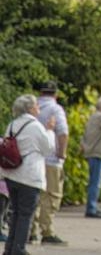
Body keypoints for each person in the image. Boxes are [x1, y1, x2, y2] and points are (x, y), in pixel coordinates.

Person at [1, 95, 54, 255]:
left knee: (16, 212)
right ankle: (19, 249)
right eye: (37, 105)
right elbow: (48, 149)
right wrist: (50, 130)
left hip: (12, 174)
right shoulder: (35, 126)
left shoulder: (12, 124)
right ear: (30, 108)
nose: (39, 107)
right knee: (25, 214)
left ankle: (9, 248)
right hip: (29, 176)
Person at [33, 81, 67, 246]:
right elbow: (62, 132)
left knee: (35, 195)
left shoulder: (31, 107)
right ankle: (47, 232)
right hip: (52, 159)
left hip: (33, 159)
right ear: (55, 94)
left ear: (40, 93)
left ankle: (30, 231)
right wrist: (62, 152)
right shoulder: (56, 109)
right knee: (52, 195)